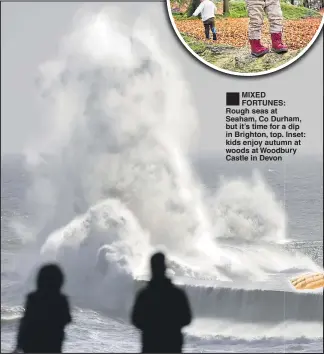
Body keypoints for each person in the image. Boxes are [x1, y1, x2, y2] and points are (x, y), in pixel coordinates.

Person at [131, 252, 192, 353]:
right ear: (165, 268)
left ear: (151, 268)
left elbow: (136, 319)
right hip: (172, 345)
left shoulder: (145, 295)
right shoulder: (176, 294)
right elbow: (187, 319)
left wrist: (150, 327)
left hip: (150, 346)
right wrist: (171, 326)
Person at [15, 264, 72, 353]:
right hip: (53, 344)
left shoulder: (33, 298)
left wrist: (18, 345)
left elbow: (26, 323)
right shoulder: (61, 300)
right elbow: (68, 319)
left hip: (32, 343)